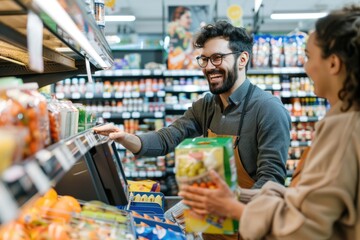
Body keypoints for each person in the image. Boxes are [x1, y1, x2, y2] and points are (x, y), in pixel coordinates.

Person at [179, 5, 360, 239]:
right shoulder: (343, 119)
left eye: (308, 57)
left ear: (333, 64)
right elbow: (307, 201)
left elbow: (307, 228)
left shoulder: (344, 130)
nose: (305, 67)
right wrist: (238, 195)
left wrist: (232, 208)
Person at [94, 20, 290, 190]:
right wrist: (125, 137)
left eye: (217, 58)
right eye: (204, 59)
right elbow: (166, 139)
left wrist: (228, 204)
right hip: (213, 225)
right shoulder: (206, 106)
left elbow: (271, 182)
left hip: (250, 226)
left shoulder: (268, 109)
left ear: (242, 59)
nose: (209, 67)